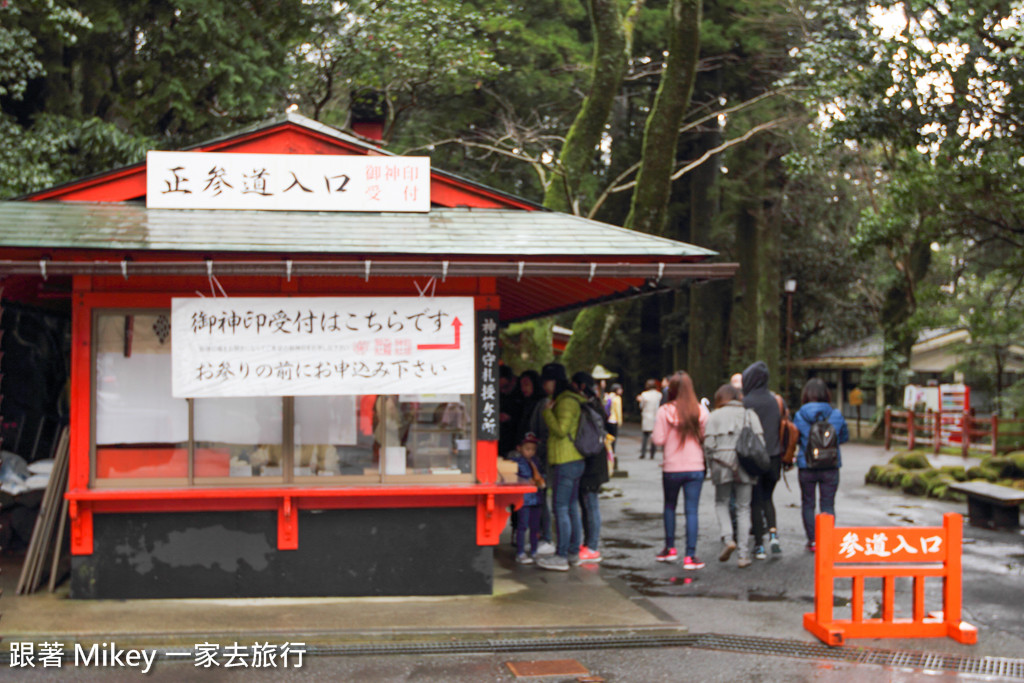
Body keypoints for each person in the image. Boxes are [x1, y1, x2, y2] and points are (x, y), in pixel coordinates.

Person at [652, 370, 709, 569]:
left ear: (672, 390)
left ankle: (670, 549)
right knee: (691, 510)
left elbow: (658, 439)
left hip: (672, 467)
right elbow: (705, 436)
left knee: (670, 506)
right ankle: (690, 556)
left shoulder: (664, 411)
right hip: (695, 466)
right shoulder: (700, 411)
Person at [704, 383, 762, 568]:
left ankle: (728, 538)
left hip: (722, 464)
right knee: (744, 508)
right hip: (745, 465)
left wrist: (711, 465)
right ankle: (743, 555)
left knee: (721, 502)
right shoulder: (750, 415)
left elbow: (708, 445)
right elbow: (760, 442)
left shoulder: (714, 416)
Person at [536, 363, 586, 571]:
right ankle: (573, 552)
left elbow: (560, 429)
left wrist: (547, 413)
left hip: (566, 460)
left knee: (561, 508)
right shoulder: (572, 399)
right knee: (571, 507)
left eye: (546, 382)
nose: (544, 386)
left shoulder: (565, 402)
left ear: (554, 381)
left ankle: (562, 555)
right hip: (574, 460)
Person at [794, 377, 850, 553]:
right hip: (831, 465)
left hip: (807, 465)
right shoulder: (836, 414)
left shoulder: (800, 415)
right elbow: (844, 437)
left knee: (808, 503)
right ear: (827, 394)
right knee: (827, 504)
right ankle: (827, 540)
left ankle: (813, 541)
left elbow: (795, 438)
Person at [741, 361, 782, 560]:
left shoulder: (747, 401)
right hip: (774, 457)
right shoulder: (774, 400)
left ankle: (759, 545)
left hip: (755, 458)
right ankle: (774, 536)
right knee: (768, 498)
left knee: (755, 501)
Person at [575, 372, 608, 564]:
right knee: (589, 505)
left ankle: (593, 546)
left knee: (591, 505)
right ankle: (589, 544)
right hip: (596, 461)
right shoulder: (596, 404)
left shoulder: (587, 407)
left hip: (591, 463)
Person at [511, 433, 545, 564]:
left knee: (535, 527)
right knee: (522, 525)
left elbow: (542, 475)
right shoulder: (517, 462)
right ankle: (520, 552)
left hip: (536, 497)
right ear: (519, 448)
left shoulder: (536, 462)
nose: (530, 452)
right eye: (527, 448)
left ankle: (534, 550)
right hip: (523, 498)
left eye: (533, 449)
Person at [637, 380, 662, 459]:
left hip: (647, 416)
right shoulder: (659, 395)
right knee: (653, 436)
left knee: (645, 435)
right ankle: (652, 454)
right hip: (655, 416)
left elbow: (642, 406)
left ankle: (643, 453)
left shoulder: (644, 395)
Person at [604, 383, 623, 453]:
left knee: (608, 437)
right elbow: (618, 411)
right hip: (614, 420)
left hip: (607, 420)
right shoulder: (617, 398)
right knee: (613, 438)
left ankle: (607, 450)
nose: (621, 390)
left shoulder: (607, 396)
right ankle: (612, 452)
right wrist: (620, 421)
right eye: (620, 389)